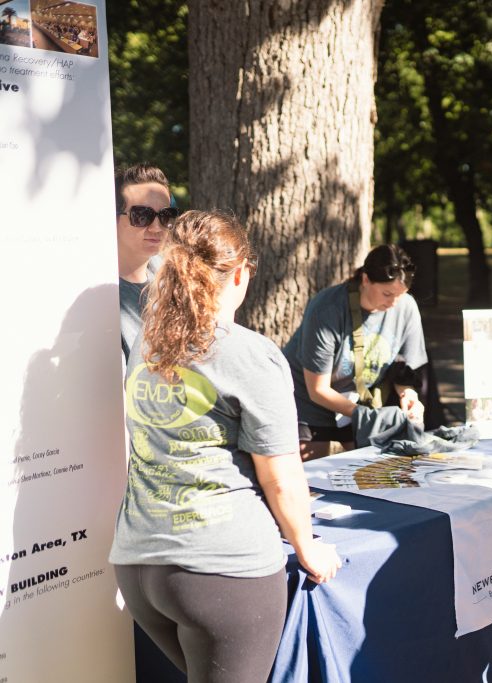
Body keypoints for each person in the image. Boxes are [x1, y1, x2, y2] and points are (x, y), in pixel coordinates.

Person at [109, 210, 341, 681]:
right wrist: (307, 545)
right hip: (220, 571)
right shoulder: (250, 353)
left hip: (139, 567)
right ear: (240, 273)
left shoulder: (148, 344)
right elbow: (280, 475)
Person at [282, 244, 428, 460]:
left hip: (357, 398)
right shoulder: (327, 309)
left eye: (400, 294)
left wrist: (409, 396)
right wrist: (364, 416)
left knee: (380, 467)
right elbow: (317, 390)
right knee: (312, 474)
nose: (394, 303)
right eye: (387, 293)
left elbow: (403, 369)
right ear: (366, 279)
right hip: (307, 396)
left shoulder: (406, 307)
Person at [115, 163, 178, 366]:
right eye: (142, 215)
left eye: (166, 216)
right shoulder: (95, 292)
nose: (157, 227)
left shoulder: (180, 284)